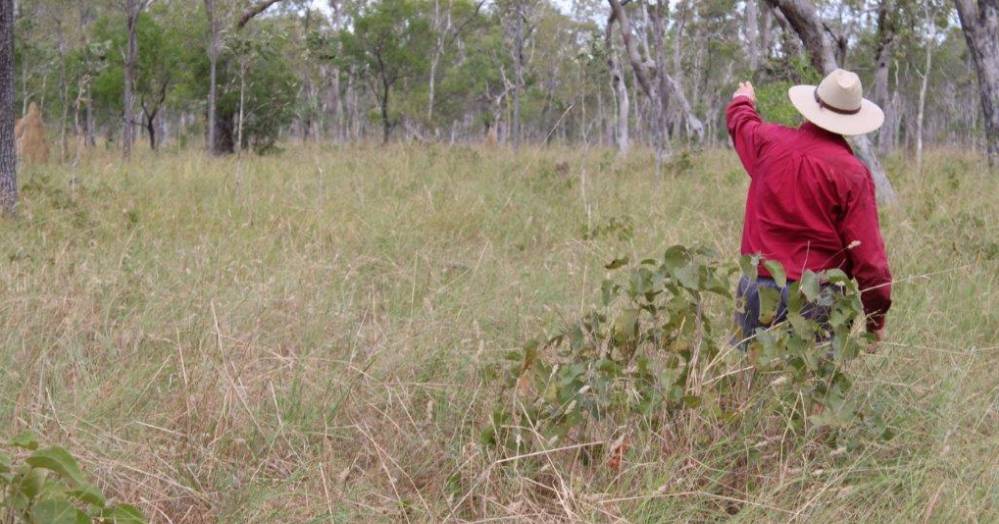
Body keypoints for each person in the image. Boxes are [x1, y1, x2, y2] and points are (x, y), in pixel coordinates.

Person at [726, 69, 892, 347]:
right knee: (810, 386)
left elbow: (743, 125)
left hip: (757, 288)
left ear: (811, 107)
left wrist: (743, 100)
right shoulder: (852, 174)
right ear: (853, 120)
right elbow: (870, 261)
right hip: (818, 298)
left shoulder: (768, 143)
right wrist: (876, 322)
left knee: (746, 380)